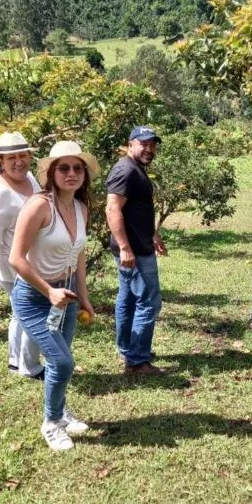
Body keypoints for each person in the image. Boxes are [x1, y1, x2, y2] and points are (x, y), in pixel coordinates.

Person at [9, 141, 99, 451]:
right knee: (62, 362)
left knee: (61, 360)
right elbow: (16, 258)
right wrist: (48, 290)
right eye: (64, 168)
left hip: (67, 294)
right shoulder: (38, 206)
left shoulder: (81, 208)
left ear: (84, 174)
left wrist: (83, 296)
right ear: (51, 173)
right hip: (35, 297)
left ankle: (60, 412)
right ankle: (51, 423)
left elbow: (79, 255)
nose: (71, 173)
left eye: (77, 168)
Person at [0, 131, 43, 379]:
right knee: (32, 314)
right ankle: (29, 366)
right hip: (12, 268)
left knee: (20, 314)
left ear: (30, 157)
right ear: (1, 161)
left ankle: (16, 362)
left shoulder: (31, 180)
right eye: (11, 157)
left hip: (32, 263)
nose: (18, 162)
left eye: (22, 155)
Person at [105, 126, 167, 375]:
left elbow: (137, 210)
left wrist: (152, 234)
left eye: (153, 145)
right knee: (149, 302)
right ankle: (138, 361)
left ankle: (127, 349)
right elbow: (112, 209)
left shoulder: (135, 169)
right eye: (144, 144)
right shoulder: (125, 170)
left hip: (138, 244)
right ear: (130, 144)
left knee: (128, 298)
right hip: (133, 250)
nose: (149, 149)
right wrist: (125, 248)